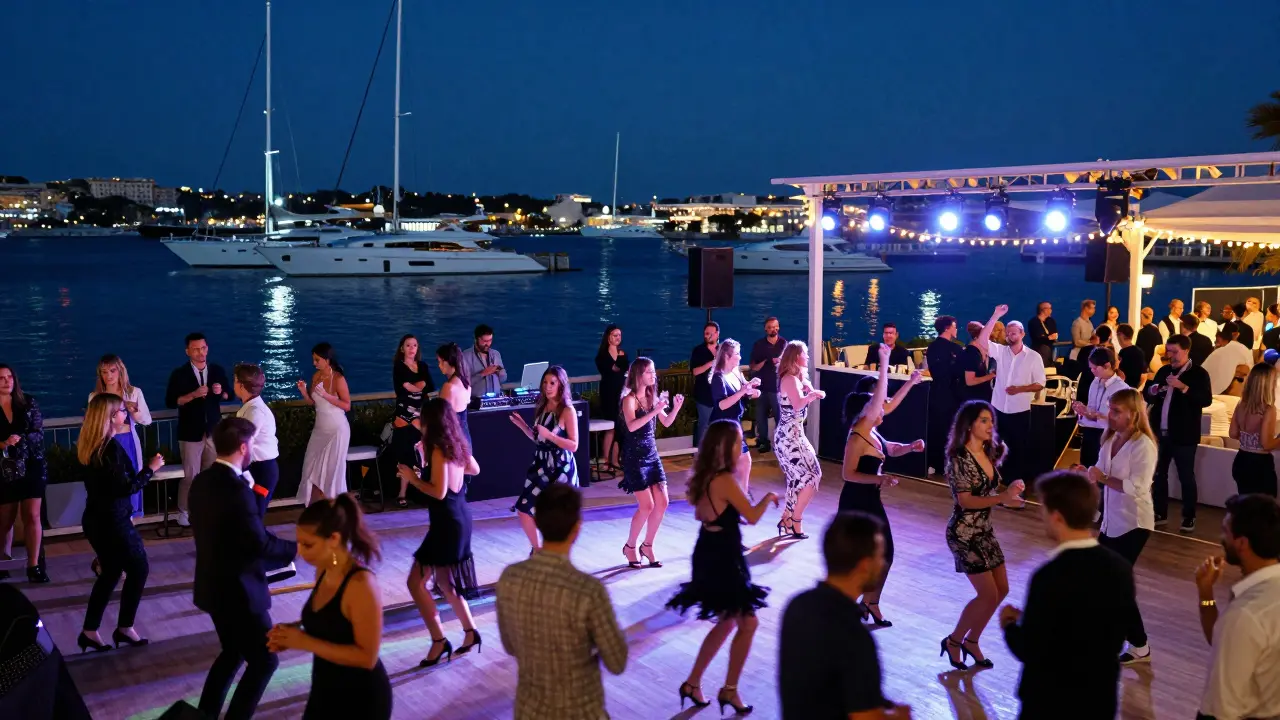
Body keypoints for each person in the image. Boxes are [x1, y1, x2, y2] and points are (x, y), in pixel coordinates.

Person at [999, 471, 1138, 720]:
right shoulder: (1121, 568)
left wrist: (1009, 625)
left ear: (1057, 517)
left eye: (1044, 510)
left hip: (1049, 703)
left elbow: (1031, 650)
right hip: (1099, 699)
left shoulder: (1049, 576)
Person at [667, 420, 777, 714]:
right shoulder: (724, 480)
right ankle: (728, 690)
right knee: (748, 623)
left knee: (729, 622)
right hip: (723, 556)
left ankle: (692, 683)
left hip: (709, 549)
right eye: (738, 441)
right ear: (725, 447)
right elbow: (752, 517)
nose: (742, 446)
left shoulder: (706, 476)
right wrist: (768, 497)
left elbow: (721, 515)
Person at [191, 417, 298, 720]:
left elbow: (226, 531)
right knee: (265, 661)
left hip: (212, 587)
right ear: (242, 447)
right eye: (251, 444)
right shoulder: (236, 491)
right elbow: (258, 542)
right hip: (238, 591)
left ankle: (206, 713)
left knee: (232, 653)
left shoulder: (202, 481)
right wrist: (297, 549)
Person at [496, 483, 628, 720]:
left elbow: (510, 646)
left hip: (529, 711)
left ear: (536, 522)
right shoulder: (587, 590)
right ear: (577, 529)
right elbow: (617, 662)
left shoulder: (509, 578)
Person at [266, 495, 391, 720]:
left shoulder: (361, 585)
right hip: (326, 686)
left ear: (333, 539)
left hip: (360, 698)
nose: (301, 552)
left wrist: (303, 641)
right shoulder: (324, 569)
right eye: (299, 544)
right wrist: (291, 633)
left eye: (308, 545)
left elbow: (367, 657)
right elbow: (331, 621)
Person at [778, 512, 911, 720]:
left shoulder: (797, 605)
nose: (883, 564)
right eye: (880, 556)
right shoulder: (855, 637)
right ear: (864, 565)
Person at [841, 345, 924, 626]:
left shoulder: (873, 432)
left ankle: (870, 603)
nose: (881, 409)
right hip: (855, 503)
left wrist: (910, 447)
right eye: (874, 407)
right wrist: (885, 361)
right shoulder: (857, 436)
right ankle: (848, 606)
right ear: (862, 413)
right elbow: (848, 474)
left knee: (884, 553)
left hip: (871, 500)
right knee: (862, 557)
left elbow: (891, 444)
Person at [396, 398, 482, 666]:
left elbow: (438, 491)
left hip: (446, 522)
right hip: (459, 517)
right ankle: (470, 633)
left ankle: (438, 641)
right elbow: (475, 469)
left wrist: (413, 479)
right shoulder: (454, 444)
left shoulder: (437, 448)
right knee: (445, 583)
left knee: (415, 582)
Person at [76, 394, 164, 652]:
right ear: (110, 417)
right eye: (122, 412)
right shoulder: (109, 449)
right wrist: (151, 469)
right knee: (139, 568)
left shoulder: (90, 445)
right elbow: (125, 487)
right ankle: (124, 628)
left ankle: (90, 631)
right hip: (112, 522)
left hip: (96, 519)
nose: (125, 416)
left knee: (111, 573)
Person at [941, 400, 1026, 671]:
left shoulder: (989, 452)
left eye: (991, 420)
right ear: (969, 425)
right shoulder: (958, 458)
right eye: (983, 420)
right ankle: (955, 641)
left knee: (1002, 590)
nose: (991, 425)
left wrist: (1010, 497)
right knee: (987, 595)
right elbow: (966, 501)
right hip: (964, 533)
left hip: (984, 530)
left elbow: (990, 494)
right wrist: (1002, 496)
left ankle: (972, 640)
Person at [1087, 388, 1157, 665]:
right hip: (1111, 521)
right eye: (1110, 409)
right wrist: (1089, 474)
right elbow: (1099, 470)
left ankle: (1139, 645)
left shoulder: (1143, 446)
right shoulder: (1111, 439)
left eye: (1117, 411)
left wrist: (1102, 478)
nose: (1111, 415)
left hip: (1134, 523)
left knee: (1117, 584)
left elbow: (1137, 487)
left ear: (1133, 414)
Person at [1194, 494, 1280, 720]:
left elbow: (1220, 709)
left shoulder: (1246, 614)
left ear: (1242, 543)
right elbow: (1222, 639)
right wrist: (1205, 594)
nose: (1221, 537)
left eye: (1225, 531)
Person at [618, 357, 683, 568]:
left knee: (662, 502)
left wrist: (674, 409)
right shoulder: (629, 400)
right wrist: (655, 411)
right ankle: (630, 546)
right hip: (635, 457)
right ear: (638, 375)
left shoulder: (650, 396)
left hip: (652, 454)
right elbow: (632, 426)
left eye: (654, 372)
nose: (654, 376)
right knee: (647, 506)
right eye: (649, 372)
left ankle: (647, 545)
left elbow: (665, 421)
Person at [1146, 334, 1212, 532]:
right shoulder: (1164, 370)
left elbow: (1205, 400)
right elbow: (1147, 394)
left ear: (1186, 350)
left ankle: (1189, 516)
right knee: (1158, 474)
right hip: (1161, 432)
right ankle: (1160, 512)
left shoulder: (1199, 373)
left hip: (1184, 435)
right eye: (1168, 350)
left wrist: (1183, 387)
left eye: (1174, 351)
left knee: (1185, 476)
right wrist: (1154, 389)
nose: (1170, 355)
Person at [509, 366, 579, 550]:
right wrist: (523, 426)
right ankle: (537, 550)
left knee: (556, 516)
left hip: (560, 466)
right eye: (545, 383)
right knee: (524, 507)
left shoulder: (567, 410)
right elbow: (538, 437)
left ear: (561, 385)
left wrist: (551, 436)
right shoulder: (542, 405)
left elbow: (574, 445)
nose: (548, 387)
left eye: (552, 383)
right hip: (540, 464)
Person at [977, 305, 1045, 495]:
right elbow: (982, 339)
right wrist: (996, 314)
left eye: (1014, 333)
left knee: (1018, 450)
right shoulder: (1000, 352)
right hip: (998, 408)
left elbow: (1040, 383)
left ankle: (1016, 488)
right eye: (1008, 333)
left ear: (1022, 334)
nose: (1010, 336)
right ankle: (992, 484)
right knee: (993, 448)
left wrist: (1020, 389)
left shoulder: (1033, 357)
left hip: (1020, 410)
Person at [164, 332, 229, 528]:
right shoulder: (179, 374)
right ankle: (183, 511)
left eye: (203, 348)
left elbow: (229, 394)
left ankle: (206, 509)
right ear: (187, 351)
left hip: (213, 431)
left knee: (210, 475)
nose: (200, 353)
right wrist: (192, 395)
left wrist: (221, 392)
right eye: (195, 349)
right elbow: (170, 401)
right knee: (190, 475)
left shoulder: (216, 370)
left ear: (207, 348)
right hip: (190, 433)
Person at [0, 364, 47, 583]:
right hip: (4, 468)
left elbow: (38, 432)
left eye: (9, 377)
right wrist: (3, 443)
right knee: (4, 519)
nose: (6, 381)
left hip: (31, 465)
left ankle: (34, 565)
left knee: (32, 515)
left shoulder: (28, 402)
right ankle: (2, 562)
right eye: (1, 378)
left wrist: (19, 441)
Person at [89, 354, 152, 519]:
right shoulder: (95, 397)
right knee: (109, 484)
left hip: (128, 441)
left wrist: (135, 410)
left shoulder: (133, 393)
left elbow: (147, 420)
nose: (108, 376)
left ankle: (128, 521)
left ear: (120, 371)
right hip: (105, 443)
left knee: (130, 479)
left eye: (112, 371)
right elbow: (92, 424)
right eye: (104, 372)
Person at [775, 341, 826, 539]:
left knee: (799, 478)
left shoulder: (798, 378)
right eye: (805, 354)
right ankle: (795, 520)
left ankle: (788, 517)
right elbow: (797, 405)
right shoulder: (788, 379)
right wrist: (812, 396)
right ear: (796, 357)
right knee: (812, 476)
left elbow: (807, 389)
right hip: (788, 438)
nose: (807, 357)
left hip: (795, 435)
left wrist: (811, 389)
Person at [297, 342, 352, 505]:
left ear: (327, 360)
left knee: (331, 472)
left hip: (337, 430)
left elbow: (347, 405)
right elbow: (314, 403)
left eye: (317, 360)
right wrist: (304, 392)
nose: (314, 363)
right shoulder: (316, 377)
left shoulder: (338, 378)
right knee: (311, 467)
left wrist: (328, 396)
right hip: (320, 429)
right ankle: (316, 507)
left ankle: (335, 507)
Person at [710, 338, 762, 494]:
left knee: (745, 461)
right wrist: (743, 392)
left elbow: (743, 394)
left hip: (735, 424)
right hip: (722, 426)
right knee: (726, 464)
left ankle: (742, 495)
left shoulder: (736, 372)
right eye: (737, 354)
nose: (740, 357)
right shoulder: (718, 378)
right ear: (727, 356)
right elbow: (721, 404)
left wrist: (752, 391)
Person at [232, 364, 279, 517]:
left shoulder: (255, 411)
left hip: (262, 471)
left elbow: (244, 441)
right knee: (248, 515)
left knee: (253, 516)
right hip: (257, 468)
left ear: (241, 385)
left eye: (235, 380)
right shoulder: (252, 408)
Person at [391, 334, 433, 507]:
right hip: (404, 413)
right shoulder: (398, 367)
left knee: (422, 453)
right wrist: (417, 386)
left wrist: (415, 387)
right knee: (405, 454)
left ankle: (422, 490)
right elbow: (404, 387)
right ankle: (402, 493)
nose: (411, 348)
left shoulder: (423, 365)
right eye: (408, 345)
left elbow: (428, 385)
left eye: (414, 345)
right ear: (402, 348)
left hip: (421, 412)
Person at [1229, 363, 1280, 496]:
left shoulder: (1241, 404)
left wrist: (1249, 437)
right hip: (1259, 465)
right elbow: (1266, 444)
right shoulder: (1268, 409)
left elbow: (1233, 433)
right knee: (1264, 510)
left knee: (1246, 507)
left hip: (1241, 460)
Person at [1072, 347, 1125, 469]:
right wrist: (1083, 411)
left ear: (1107, 365)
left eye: (1095, 368)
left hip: (1107, 435)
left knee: (1102, 472)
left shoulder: (1120, 388)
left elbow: (1119, 420)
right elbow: (1091, 407)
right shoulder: (1095, 382)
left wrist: (1094, 415)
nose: (1092, 371)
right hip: (1090, 432)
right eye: (1091, 368)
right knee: (1086, 469)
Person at [925, 315, 964, 475]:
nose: (956, 329)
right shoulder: (955, 349)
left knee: (936, 428)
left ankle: (934, 463)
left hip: (935, 392)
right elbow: (959, 372)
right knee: (949, 429)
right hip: (951, 393)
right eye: (955, 326)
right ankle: (948, 465)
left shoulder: (932, 347)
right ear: (948, 328)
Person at [748, 316, 787, 452]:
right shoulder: (759, 345)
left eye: (775, 326)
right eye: (770, 327)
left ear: (779, 327)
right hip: (762, 387)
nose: (773, 329)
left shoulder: (784, 344)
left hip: (778, 388)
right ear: (765, 329)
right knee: (760, 417)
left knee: (779, 417)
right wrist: (766, 361)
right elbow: (753, 366)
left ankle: (782, 443)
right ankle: (763, 441)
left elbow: (789, 364)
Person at [594, 324, 627, 469]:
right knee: (610, 427)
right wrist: (619, 359)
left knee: (620, 427)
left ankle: (615, 460)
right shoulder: (602, 356)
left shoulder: (623, 353)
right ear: (608, 337)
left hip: (620, 393)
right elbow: (614, 368)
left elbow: (626, 370)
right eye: (615, 335)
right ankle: (606, 460)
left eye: (619, 335)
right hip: (608, 393)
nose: (618, 338)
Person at [436, 342, 472, 449]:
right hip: (465, 439)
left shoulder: (449, 387)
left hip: (453, 441)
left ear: (448, 361)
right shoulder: (466, 384)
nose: (439, 365)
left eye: (440, 361)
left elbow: (441, 419)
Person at [690, 321, 721, 446]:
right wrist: (710, 363)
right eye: (705, 333)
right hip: (704, 394)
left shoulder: (723, 349)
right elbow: (695, 371)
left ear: (717, 334)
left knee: (719, 424)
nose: (707, 336)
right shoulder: (698, 350)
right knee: (704, 424)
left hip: (720, 394)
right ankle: (699, 452)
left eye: (710, 333)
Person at [1203, 324, 1254, 395]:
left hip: (1231, 389)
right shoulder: (1243, 350)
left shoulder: (1224, 350)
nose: (1216, 344)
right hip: (1227, 391)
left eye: (1217, 341)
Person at [460, 323, 506, 398]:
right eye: (484, 341)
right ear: (476, 339)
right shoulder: (465, 356)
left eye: (490, 340)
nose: (488, 344)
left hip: (497, 398)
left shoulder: (496, 354)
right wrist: (483, 373)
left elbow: (503, 379)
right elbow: (463, 383)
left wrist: (500, 372)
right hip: (476, 401)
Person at [961, 321, 997, 403]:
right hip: (975, 399)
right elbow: (970, 381)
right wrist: (991, 376)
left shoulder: (986, 351)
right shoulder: (972, 353)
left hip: (984, 396)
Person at [1070, 300, 1097, 377]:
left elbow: (1093, 336)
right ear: (1086, 308)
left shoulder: (1089, 323)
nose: (1094, 310)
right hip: (1078, 355)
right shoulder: (1077, 323)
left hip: (1087, 356)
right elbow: (1076, 341)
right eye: (1092, 308)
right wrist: (1090, 344)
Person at [1116, 324, 1147, 390]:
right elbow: (1143, 374)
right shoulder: (1140, 351)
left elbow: (1119, 373)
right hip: (1136, 388)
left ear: (1120, 335)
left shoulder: (1123, 352)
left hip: (1124, 389)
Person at [1027, 301, 1058, 367]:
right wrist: (1048, 338)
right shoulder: (1034, 322)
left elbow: (1054, 335)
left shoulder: (1051, 321)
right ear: (1043, 310)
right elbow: (1038, 337)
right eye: (1049, 308)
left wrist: (1047, 337)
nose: (1051, 310)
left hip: (1050, 349)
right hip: (1039, 350)